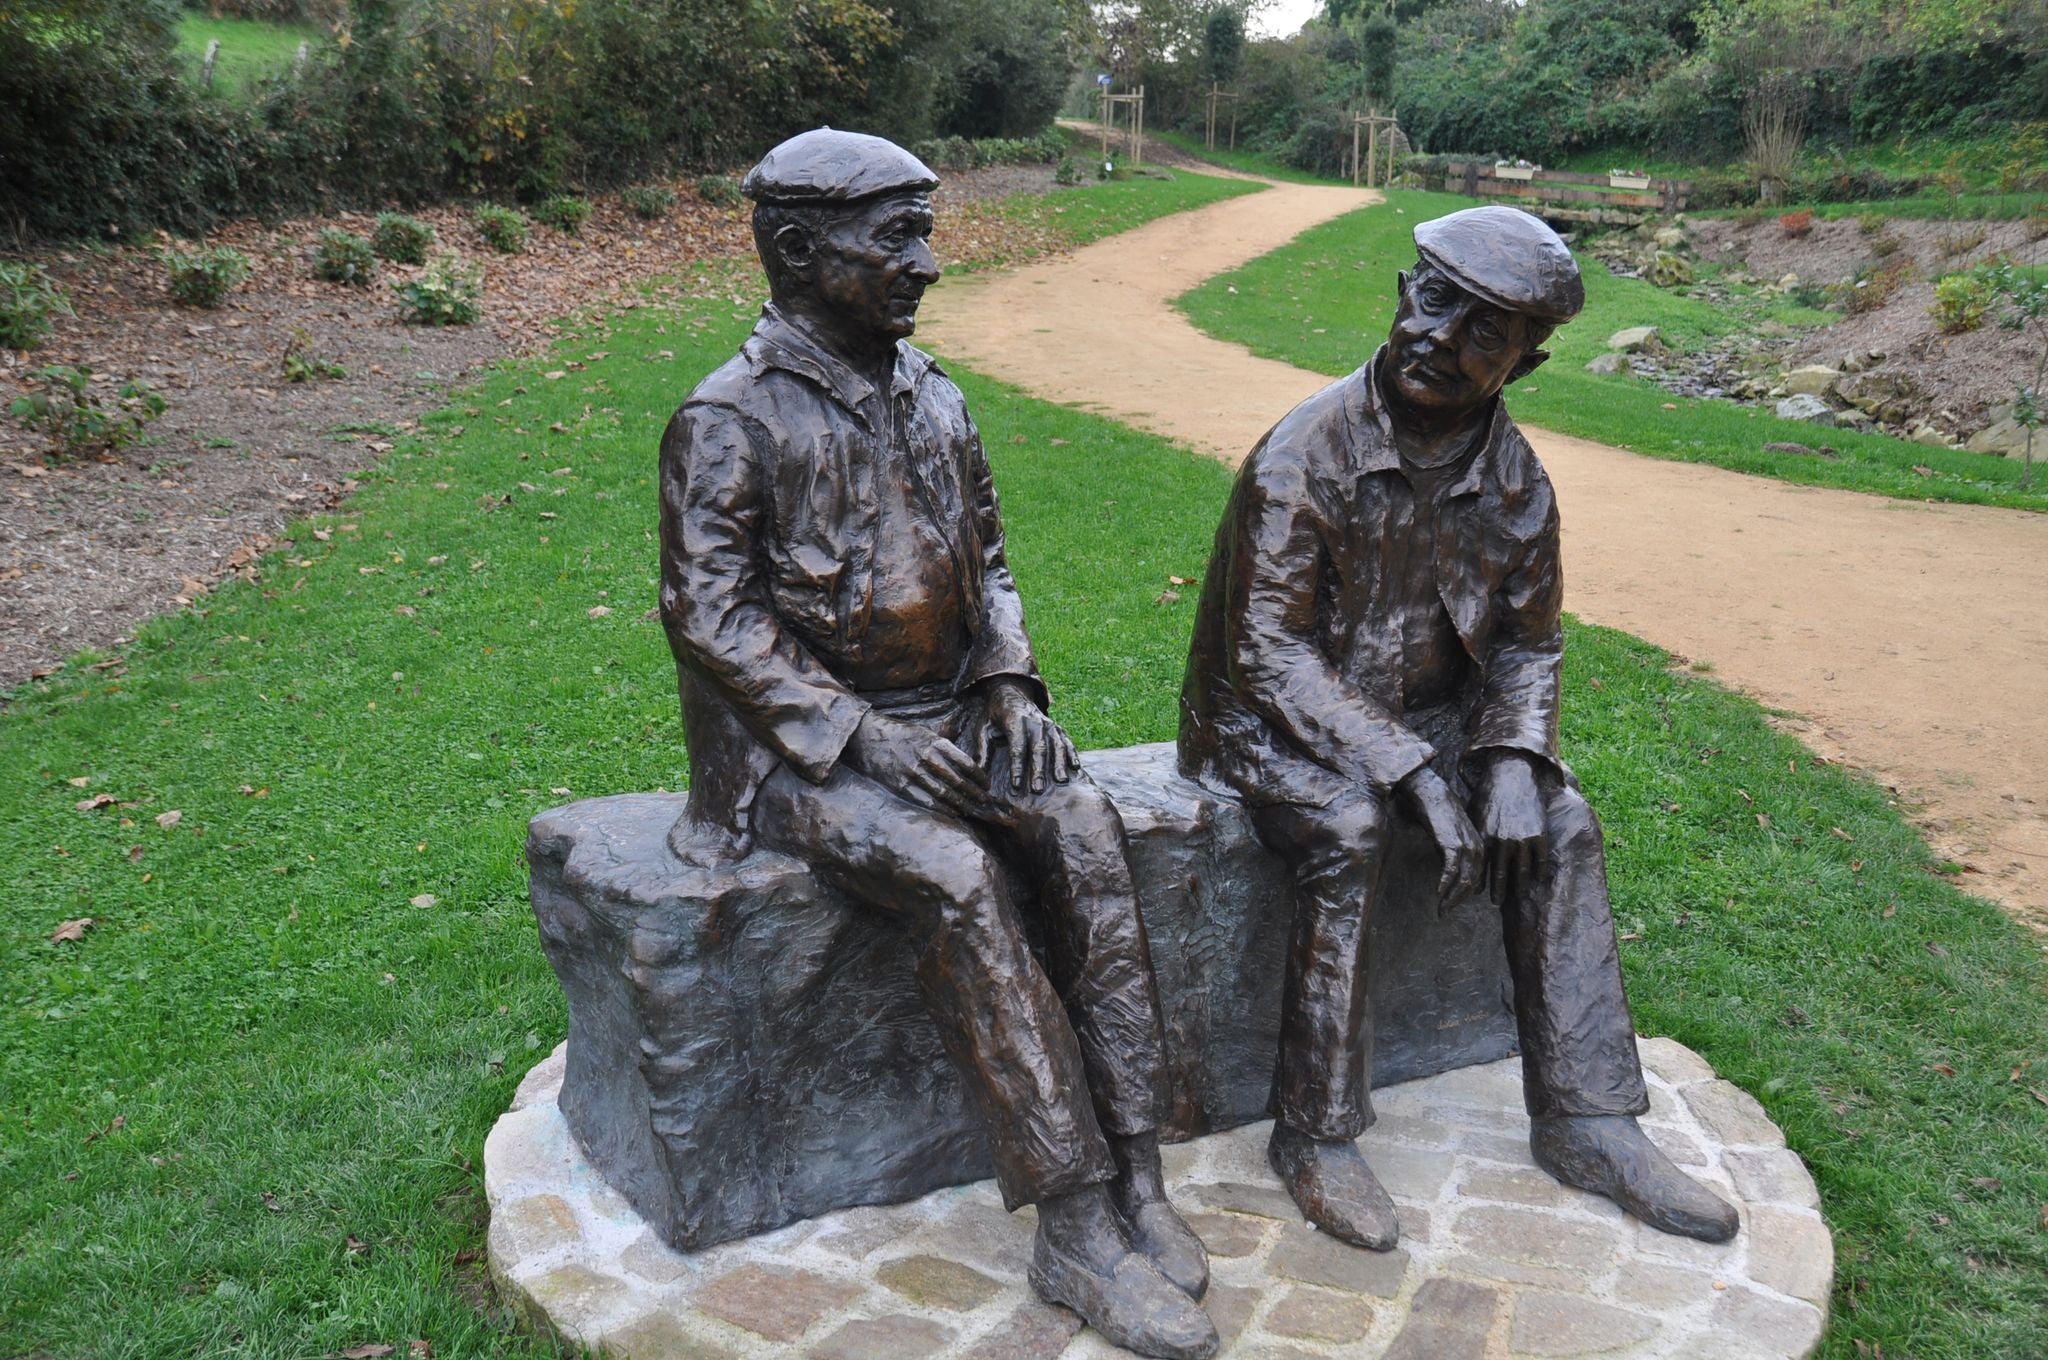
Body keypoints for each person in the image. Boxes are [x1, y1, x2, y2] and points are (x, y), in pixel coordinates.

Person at [658, 128, 1217, 1360]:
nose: (926, 262)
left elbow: (992, 563)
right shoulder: (727, 417)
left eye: (927, 232)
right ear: (800, 252)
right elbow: (709, 614)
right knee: (956, 876)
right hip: (792, 757)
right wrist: (854, 733)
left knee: (1080, 828)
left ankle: (1135, 1173)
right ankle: (1071, 1223)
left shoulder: (936, 394)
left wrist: (1008, 679)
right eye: (895, 236)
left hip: (955, 711)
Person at [1177, 204, 1740, 1251]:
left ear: (1520, 364)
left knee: (1560, 825)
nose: (1441, 338)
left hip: (1431, 724)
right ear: (1401, 294)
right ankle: (1314, 1133)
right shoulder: (1301, 455)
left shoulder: (1515, 480)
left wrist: (1515, 757)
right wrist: (1410, 774)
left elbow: (1528, 644)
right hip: (1270, 728)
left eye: (1484, 330)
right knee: (1347, 831)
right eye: (1434, 303)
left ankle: (1584, 1118)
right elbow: (1269, 653)